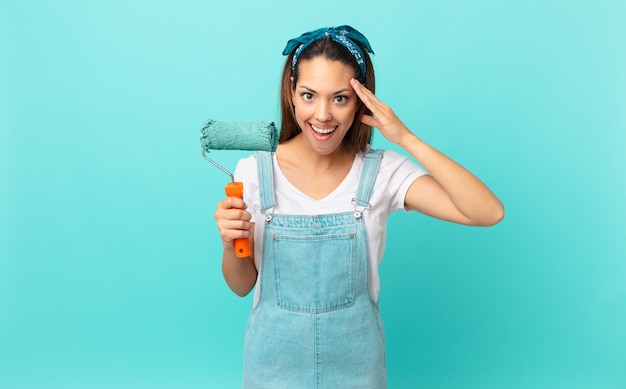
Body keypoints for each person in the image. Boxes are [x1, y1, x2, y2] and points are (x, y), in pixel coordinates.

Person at [214, 25, 504, 388]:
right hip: (272, 370)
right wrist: (230, 245)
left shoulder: (382, 171)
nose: (322, 115)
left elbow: (487, 211)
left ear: (362, 101)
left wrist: (407, 138)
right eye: (308, 95)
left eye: (339, 98)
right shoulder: (254, 172)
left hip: (356, 372)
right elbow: (241, 286)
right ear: (290, 94)